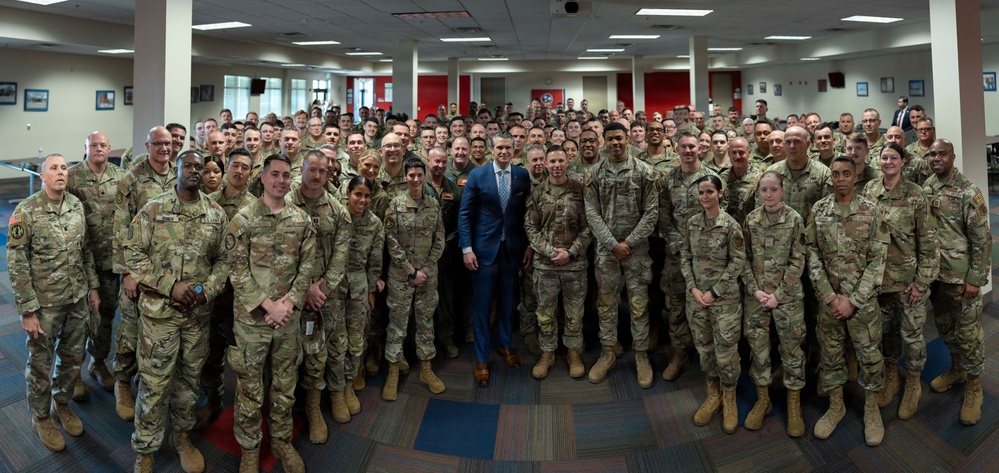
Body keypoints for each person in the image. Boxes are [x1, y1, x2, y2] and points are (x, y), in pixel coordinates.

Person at [126, 151, 228, 473]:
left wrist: (202, 291)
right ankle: (145, 449)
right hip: (160, 317)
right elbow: (133, 253)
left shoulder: (215, 213)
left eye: (200, 166)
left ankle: (182, 437)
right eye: (189, 166)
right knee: (154, 385)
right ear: (178, 169)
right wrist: (170, 286)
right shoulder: (153, 209)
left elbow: (226, 262)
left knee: (188, 382)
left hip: (197, 318)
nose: (195, 171)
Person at [226, 155, 316, 473]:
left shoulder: (301, 220)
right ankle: (250, 448)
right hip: (254, 319)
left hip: (287, 319)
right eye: (274, 174)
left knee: (285, 383)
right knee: (250, 387)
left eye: (286, 175)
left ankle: (280, 440)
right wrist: (269, 305)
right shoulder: (243, 218)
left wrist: (288, 304)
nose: (280, 180)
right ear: (262, 178)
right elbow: (235, 269)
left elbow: (308, 267)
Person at [8, 154, 99, 452]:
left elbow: (85, 250)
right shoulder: (26, 211)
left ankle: (62, 404)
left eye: (63, 168)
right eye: (53, 169)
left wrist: (92, 287)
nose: (60, 173)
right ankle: (41, 416)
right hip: (44, 305)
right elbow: (17, 262)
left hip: (76, 299)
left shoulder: (75, 206)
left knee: (73, 359)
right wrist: (27, 310)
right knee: (40, 364)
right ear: (42, 176)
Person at [806, 156, 888, 447]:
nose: (840, 178)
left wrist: (853, 300)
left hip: (862, 304)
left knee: (869, 358)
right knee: (831, 357)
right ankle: (836, 405)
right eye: (836, 174)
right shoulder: (819, 210)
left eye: (846, 173)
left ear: (855, 177)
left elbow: (878, 261)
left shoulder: (872, 210)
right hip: (829, 303)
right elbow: (812, 255)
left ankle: (871, 408)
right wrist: (830, 297)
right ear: (831, 178)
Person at [861, 142, 938, 419]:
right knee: (887, 334)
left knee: (912, 336)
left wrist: (921, 283)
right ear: (878, 161)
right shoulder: (870, 190)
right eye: (884, 157)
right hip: (879, 282)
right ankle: (892, 374)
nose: (888, 161)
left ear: (903, 161)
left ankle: (914, 382)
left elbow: (929, 243)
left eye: (894, 157)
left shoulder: (916, 195)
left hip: (908, 283)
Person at [583, 122, 658, 387]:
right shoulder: (594, 173)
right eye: (610, 139)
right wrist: (613, 243)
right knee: (606, 305)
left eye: (619, 138)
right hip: (606, 252)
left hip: (637, 252)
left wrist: (630, 242)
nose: (615, 143)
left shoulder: (644, 171)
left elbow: (652, 212)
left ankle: (641, 356)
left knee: (638, 307)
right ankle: (607, 353)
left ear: (628, 139)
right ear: (604, 141)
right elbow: (591, 212)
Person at [922, 139, 990, 426]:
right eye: (932, 154)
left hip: (962, 279)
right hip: (936, 278)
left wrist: (976, 279)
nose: (936, 158)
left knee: (969, 335)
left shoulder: (967, 192)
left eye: (942, 154)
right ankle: (957, 369)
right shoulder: (927, 186)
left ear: (952, 157)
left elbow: (982, 239)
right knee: (945, 328)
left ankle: (974, 386)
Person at [113, 126, 178, 421]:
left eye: (168, 143)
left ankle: (152, 381)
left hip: (169, 270)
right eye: (158, 143)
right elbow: (121, 227)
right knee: (129, 329)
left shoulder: (180, 172)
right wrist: (127, 273)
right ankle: (123, 382)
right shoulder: (132, 178)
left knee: (160, 331)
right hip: (139, 268)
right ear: (147, 144)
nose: (164, 148)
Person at [458, 132, 533, 387]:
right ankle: (481, 358)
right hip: (483, 252)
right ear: (492, 150)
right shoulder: (478, 175)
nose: (504, 151)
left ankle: (505, 345)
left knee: (508, 302)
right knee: (482, 306)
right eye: (499, 147)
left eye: (508, 148)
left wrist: (529, 245)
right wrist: (467, 248)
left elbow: (527, 215)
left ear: (514, 150)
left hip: (512, 250)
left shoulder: (522, 175)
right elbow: (465, 214)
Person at [288, 150, 352, 436]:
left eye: (322, 171)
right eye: (311, 170)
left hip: (327, 295)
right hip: (290, 295)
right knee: (289, 355)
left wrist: (321, 288)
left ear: (329, 173)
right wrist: (303, 290)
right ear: (301, 169)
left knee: (326, 352)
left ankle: (317, 406)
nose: (316, 176)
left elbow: (341, 255)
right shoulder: (285, 203)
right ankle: (286, 410)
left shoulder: (338, 210)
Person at [741, 171, 807, 437]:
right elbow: (742, 257)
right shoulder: (751, 219)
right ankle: (763, 398)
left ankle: (794, 403)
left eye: (773, 190)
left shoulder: (794, 219)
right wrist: (755, 290)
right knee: (758, 350)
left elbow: (798, 259)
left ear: (782, 191)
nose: (768, 195)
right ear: (758, 192)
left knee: (792, 351)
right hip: (756, 297)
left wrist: (778, 294)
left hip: (787, 297)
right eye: (764, 190)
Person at [681, 175, 746, 434]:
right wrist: (693, 287)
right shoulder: (692, 223)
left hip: (724, 300)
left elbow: (738, 261)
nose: (705, 197)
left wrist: (715, 291)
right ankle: (713, 393)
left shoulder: (730, 226)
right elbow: (685, 255)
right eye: (701, 192)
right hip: (697, 299)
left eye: (710, 191)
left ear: (720, 193)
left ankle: (729, 396)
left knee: (726, 352)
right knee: (704, 348)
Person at [524, 146, 592, 379]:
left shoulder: (579, 190)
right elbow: (531, 228)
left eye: (560, 161)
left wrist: (571, 253)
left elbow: (588, 226)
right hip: (546, 265)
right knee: (545, 312)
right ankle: (547, 353)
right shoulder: (537, 192)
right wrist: (551, 252)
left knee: (574, 312)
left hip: (575, 265)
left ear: (567, 162)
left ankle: (573, 352)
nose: (556, 165)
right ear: (545, 163)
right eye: (551, 161)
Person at [659, 130, 721, 381]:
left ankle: (709, 355)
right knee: (676, 306)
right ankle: (680, 351)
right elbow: (663, 216)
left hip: (706, 258)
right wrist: (680, 244)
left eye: (692, 146)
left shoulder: (712, 178)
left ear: (699, 148)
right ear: (676, 149)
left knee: (707, 306)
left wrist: (698, 247)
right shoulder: (667, 179)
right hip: (676, 255)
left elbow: (718, 216)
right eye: (683, 146)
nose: (687, 150)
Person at [382, 158, 447, 400]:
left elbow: (440, 238)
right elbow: (391, 241)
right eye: (412, 175)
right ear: (406, 177)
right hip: (401, 277)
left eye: (420, 175)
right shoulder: (396, 205)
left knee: (425, 323)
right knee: (397, 325)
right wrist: (411, 270)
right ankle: (393, 370)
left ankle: (426, 369)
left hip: (427, 277)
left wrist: (426, 269)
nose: (417, 179)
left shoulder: (433, 205)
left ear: (424, 176)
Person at [66, 131, 124, 397]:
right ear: (85, 147)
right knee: (78, 319)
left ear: (109, 148)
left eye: (103, 145)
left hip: (110, 263)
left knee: (106, 316)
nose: (98, 149)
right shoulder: (73, 177)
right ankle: (73, 371)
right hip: (79, 262)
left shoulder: (121, 177)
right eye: (93, 145)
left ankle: (98, 363)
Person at [341, 176, 385, 399]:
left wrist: (370, 290)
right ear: (348, 193)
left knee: (357, 335)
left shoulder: (375, 223)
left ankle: (351, 379)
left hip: (358, 283)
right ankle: (336, 384)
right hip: (334, 282)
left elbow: (375, 260)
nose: (363, 200)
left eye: (367, 196)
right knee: (334, 337)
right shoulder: (337, 215)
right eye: (358, 194)